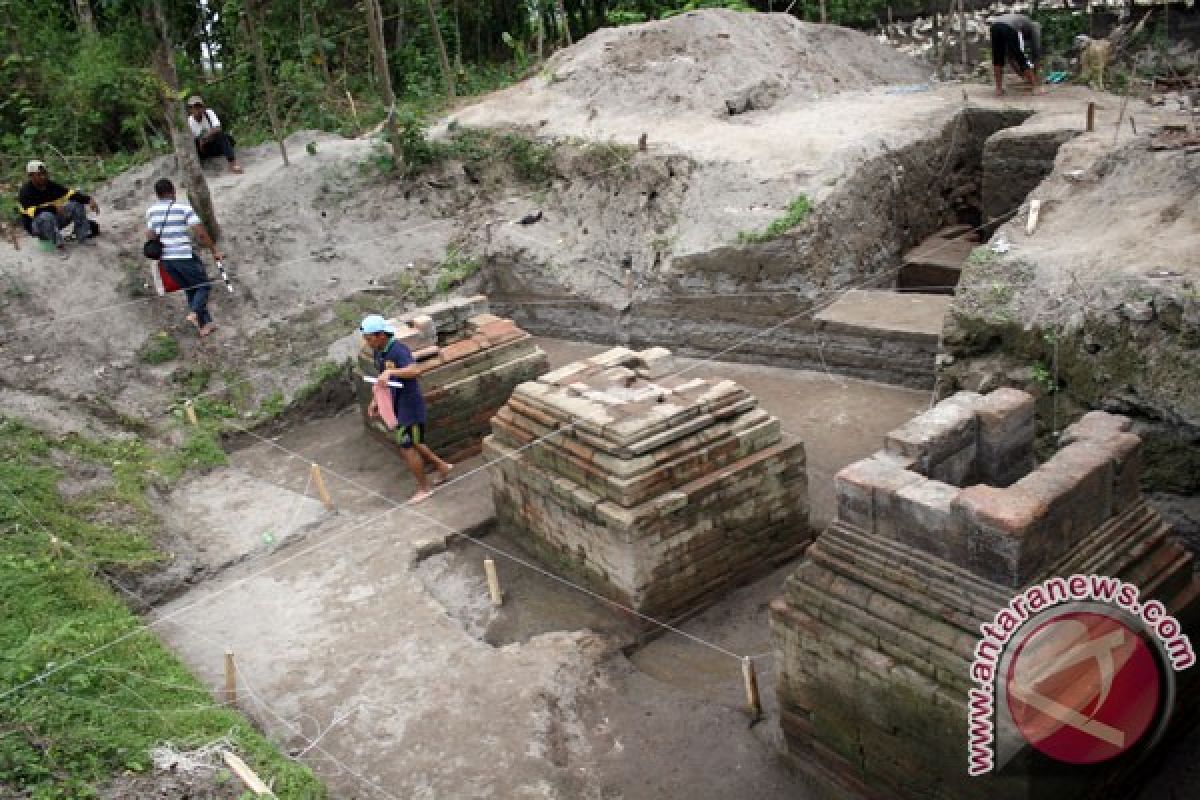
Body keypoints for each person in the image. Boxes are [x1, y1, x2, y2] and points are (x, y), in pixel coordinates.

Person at [361, 314, 453, 504]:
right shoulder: (379, 351)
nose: (367, 342)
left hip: (410, 404)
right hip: (398, 402)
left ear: (380, 335)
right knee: (415, 441)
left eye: (369, 338)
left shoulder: (398, 350)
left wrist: (392, 371)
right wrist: (375, 401)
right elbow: (382, 380)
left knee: (406, 446)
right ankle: (442, 466)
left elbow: (414, 371)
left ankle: (424, 488)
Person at [144, 178, 221, 337]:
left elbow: (150, 234)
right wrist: (214, 250)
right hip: (184, 256)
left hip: (166, 260)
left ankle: (205, 326)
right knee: (203, 286)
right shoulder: (183, 208)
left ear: (157, 194)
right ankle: (194, 314)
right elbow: (200, 233)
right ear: (172, 191)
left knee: (190, 290)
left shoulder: (151, 211)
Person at [17, 160, 98, 250]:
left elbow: (69, 194)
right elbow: (33, 212)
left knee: (76, 204)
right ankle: (59, 246)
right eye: (39, 175)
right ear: (31, 176)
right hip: (37, 227)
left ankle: (83, 237)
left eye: (44, 173)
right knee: (46, 216)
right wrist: (53, 208)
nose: (43, 177)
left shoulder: (50, 185)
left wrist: (88, 199)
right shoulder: (25, 192)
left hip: (54, 221)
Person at [989, 13, 1045, 97]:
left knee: (997, 58)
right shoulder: (1034, 27)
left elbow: (1010, 57)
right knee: (1020, 56)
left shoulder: (1021, 21)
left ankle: (998, 89)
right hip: (1009, 27)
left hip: (995, 26)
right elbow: (1036, 52)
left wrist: (1022, 75)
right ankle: (1036, 87)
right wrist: (1035, 75)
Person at [186, 95, 243, 174]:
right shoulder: (189, 122)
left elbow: (218, 128)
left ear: (203, 107)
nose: (198, 109)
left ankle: (233, 165)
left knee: (222, 136)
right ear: (190, 109)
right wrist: (201, 141)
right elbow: (191, 141)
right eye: (195, 107)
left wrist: (204, 138)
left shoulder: (209, 113)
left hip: (214, 144)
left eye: (199, 106)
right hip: (203, 150)